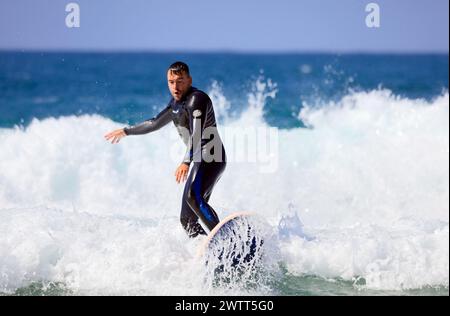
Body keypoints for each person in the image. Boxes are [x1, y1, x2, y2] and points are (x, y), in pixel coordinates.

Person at [105, 62, 226, 238]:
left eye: (180, 81)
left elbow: (197, 134)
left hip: (213, 157)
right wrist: (126, 131)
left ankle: (225, 238)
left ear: (189, 80)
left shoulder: (197, 100)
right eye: (171, 82)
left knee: (194, 196)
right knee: (187, 221)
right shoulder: (176, 104)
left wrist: (185, 162)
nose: (175, 87)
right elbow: (155, 122)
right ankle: (209, 248)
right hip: (200, 159)